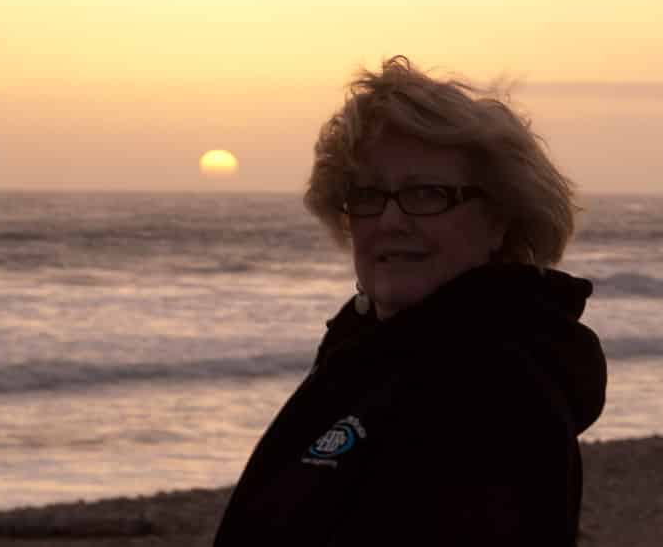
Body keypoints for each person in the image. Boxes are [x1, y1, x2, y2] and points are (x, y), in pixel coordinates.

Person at [212, 56, 606, 546]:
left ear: (499, 218)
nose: (390, 221)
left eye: (427, 194)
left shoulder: (492, 390)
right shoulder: (367, 353)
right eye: (367, 195)